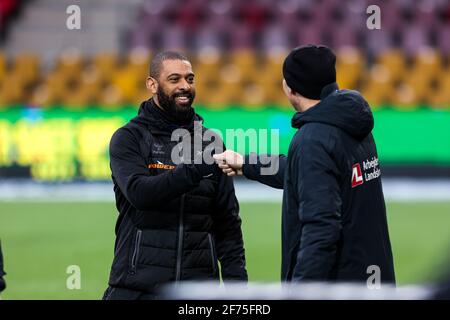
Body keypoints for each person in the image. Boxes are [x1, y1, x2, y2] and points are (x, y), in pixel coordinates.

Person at [214, 45, 395, 285]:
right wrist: (246, 163)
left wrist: (301, 291)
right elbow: (311, 173)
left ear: (289, 88)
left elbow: (321, 228)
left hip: (338, 286)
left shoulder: (313, 138)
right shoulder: (351, 121)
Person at [103, 51, 247, 300]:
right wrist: (195, 168)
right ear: (152, 84)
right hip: (137, 287)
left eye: (190, 79)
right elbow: (141, 194)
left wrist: (238, 289)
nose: (184, 86)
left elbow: (228, 223)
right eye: (174, 79)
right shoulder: (129, 138)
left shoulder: (211, 141)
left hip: (199, 290)